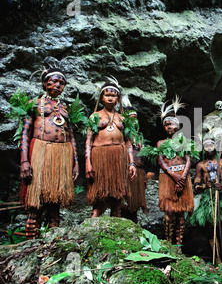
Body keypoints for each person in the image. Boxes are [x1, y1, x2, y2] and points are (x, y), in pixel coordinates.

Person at [19, 67, 79, 239]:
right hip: (41, 152)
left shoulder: (65, 109)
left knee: (55, 203)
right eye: (54, 81)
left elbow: (71, 137)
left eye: (62, 82)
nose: (58, 85)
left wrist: (75, 163)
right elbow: (25, 132)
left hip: (61, 155)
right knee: (35, 203)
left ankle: (51, 243)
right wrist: (24, 161)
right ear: (45, 83)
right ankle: (31, 243)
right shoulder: (35, 103)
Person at [85, 78, 136, 218]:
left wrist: (131, 162)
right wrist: (88, 163)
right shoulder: (95, 116)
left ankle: (116, 232)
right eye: (107, 95)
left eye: (113, 95)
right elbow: (88, 141)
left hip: (119, 158)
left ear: (117, 98)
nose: (110, 98)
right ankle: (92, 231)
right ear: (102, 97)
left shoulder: (123, 119)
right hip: (100, 156)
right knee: (99, 199)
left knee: (117, 199)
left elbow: (128, 143)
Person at [156, 97, 195, 253]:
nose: (168, 126)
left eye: (171, 123)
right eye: (166, 124)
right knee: (170, 211)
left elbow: (188, 160)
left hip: (182, 177)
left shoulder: (184, 141)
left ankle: (178, 246)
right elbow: (160, 161)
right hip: (168, 178)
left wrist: (183, 176)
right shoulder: (161, 143)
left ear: (178, 125)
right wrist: (174, 176)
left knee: (180, 213)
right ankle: (168, 243)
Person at [190, 133, 222, 262]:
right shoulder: (200, 165)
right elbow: (196, 184)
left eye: (211, 145)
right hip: (207, 198)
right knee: (210, 228)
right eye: (206, 145)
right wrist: (204, 186)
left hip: (221, 198)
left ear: (215, 147)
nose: (209, 148)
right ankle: (217, 259)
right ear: (203, 148)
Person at [121, 109, 148, 223]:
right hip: (127, 170)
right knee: (125, 199)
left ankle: (134, 224)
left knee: (136, 201)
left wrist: (145, 175)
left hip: (139, 171)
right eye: (131, 118)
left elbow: (143, 158)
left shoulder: (139, 137)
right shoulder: (122, 135)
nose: (134, 121)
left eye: (135, 118)